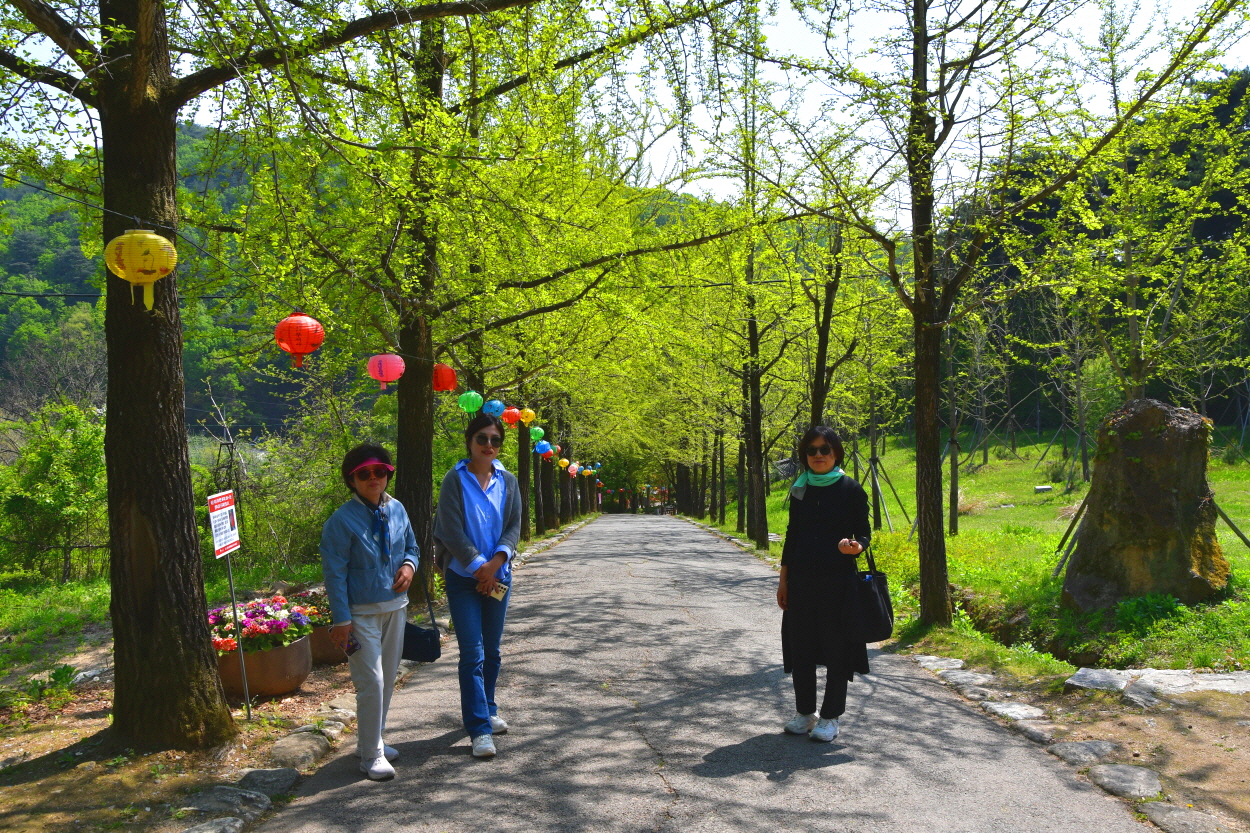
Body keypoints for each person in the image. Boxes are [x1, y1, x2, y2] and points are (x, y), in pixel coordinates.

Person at [321, 443, 418, 781]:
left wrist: (409, 565)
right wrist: (341, 620)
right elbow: (334, 574)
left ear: (388, 474)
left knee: (387, 679)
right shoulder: (340, 521)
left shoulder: (398, 509)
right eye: (364, 474)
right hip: (360, 615)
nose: (373, 478)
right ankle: (370, 756)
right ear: (352, 480)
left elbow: (412, 546)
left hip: (396, 607)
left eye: (380, 471)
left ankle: (371, 741)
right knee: (371, 682)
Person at [433, 413, 522, 759]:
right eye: (482, 438)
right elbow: (450, 529)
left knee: (493, 651)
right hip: (462, 577)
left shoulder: (508, 481)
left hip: (498, 576)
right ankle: (479, 729)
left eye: (495, 440)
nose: (488, 445)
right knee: (473, 652)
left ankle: (487, 707)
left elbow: (513, 526)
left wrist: (495, 565)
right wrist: (478, 568)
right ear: (469, 441)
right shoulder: (454, 480)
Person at [776, 426, 871, 742]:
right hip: (801, 582)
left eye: (824, 449)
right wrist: (784, 581)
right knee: (800, 648)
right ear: (805, 455)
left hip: (837, 583)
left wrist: (855, 547)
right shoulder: (800, 488)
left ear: (836, 453)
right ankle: (805, 713)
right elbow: (792, 536)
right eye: (812, 450)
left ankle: (830, 717)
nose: (818, 455)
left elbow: (864, 533)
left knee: (836, 650)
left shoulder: (850, 489)